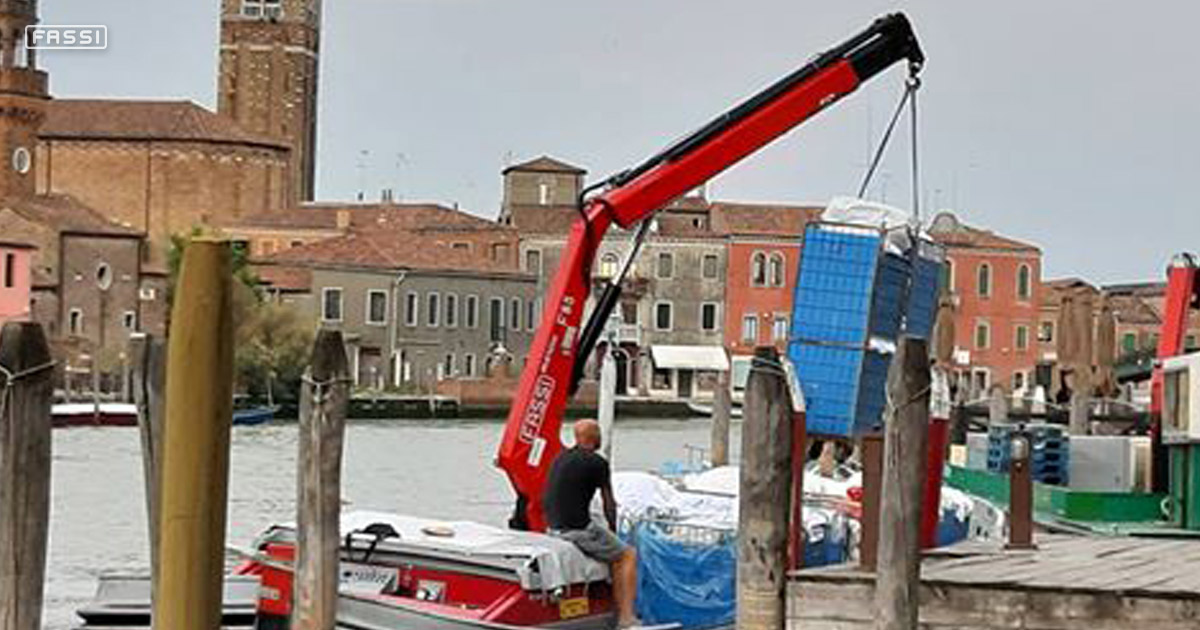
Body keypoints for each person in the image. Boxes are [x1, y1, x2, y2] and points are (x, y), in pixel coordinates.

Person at [543, 419, 639, 628]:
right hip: (576, 530)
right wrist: (614, 530)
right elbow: (608, 502)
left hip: (553, 527)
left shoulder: (560, 458)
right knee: (627, 555)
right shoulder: (597, 462)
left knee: (612, 550)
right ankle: (626, 618)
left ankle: (611, 606)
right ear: (595, 437)